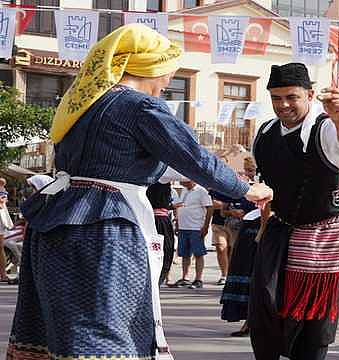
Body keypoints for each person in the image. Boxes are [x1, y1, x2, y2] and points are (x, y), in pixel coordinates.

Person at [6, 24, 273, 360]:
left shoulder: (83, 106)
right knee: (107, 324)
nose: (165, 85)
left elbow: (133, 162)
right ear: (151, 68)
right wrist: (246, 189)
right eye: (167, 77)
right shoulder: (139, 107)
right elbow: (195, 159)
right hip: (103, 224)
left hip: (56, 221)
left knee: (60, 324)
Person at [249, 62, 339, 360]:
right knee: (265, 303)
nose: (283, 104)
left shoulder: (327, 128)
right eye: (276, 97)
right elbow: (269, 187)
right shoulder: (264, 133)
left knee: (315, 319)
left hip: (328, 231)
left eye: (291, 97)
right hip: (282, 226)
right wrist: (265, 226)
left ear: (310, 95)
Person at [220, 207, 263, 337]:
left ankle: (253, 323)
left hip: (258, 238)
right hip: (248, 239)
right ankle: (250, 323)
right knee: (248, 280)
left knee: (256, 283)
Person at [173, 179, 213, 289]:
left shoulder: (201, 191)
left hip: (196, 227)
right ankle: (185, 277)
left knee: (198, 253)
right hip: (183, 227)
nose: (181, 182)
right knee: (185, 253)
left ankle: (198, 279)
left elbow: (209, 208)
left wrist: (205, 226)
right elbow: (180, 207)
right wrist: (177, 223)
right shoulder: (184, 191)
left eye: (183, 181)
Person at [146, 179, 176, 286]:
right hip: (158, 220)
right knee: (163, 252)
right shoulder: (161, 176)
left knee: (161, 252)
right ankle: (157, 281)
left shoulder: (147, 177)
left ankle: (157, 281)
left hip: (151, 219)